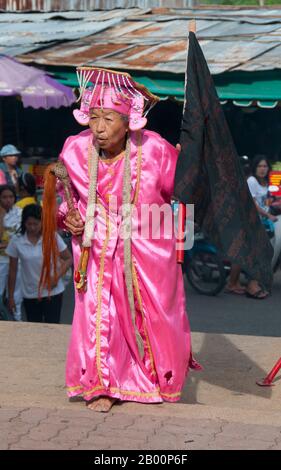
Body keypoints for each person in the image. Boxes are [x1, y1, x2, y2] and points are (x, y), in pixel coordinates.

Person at [40, 67, 198, 413]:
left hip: (146, 250)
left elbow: (183, 190)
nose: (98, 128)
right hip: (95, 250)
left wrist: (189, 162)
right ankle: (102, 384)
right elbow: (65, 201)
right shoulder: (76, 150)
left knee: (151, 316)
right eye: (93, 118)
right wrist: (70, 216)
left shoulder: (154, 150)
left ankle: (153, 380)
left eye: (108, 119)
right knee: (99, 314)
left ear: (129, 121)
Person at [6, 204, 72, 324]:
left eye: (35, 224)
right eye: (29, 224)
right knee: (34, 328)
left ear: (42, 222)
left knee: (52, 328)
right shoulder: (17, 241)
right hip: (30, 294)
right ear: (24, 223)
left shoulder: (52, 237)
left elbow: (68, 258)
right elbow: (12, 271)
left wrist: (56, 277)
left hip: (53, 293)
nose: (32, 227)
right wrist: (11, 297)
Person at [225, 155, 278, 299]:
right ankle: (239, 284)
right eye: (260, 166)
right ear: (255, 167)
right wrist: (268, 216)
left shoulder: (266, 183)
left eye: (265, 166)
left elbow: (266, 202)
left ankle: (235, 283)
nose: (262, 169)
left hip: (260, 221)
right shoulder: (252, 181)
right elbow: (253, 204)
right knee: (248, 252)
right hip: (247, 220)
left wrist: (272, 208)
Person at [0, 184, 22, 320]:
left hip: (16, 261)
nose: (8, 200)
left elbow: (20, 238)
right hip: (1, 261)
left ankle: (18, 320)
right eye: (4, 197)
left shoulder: (20, 213)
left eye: (10, 197)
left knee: (15, 295)